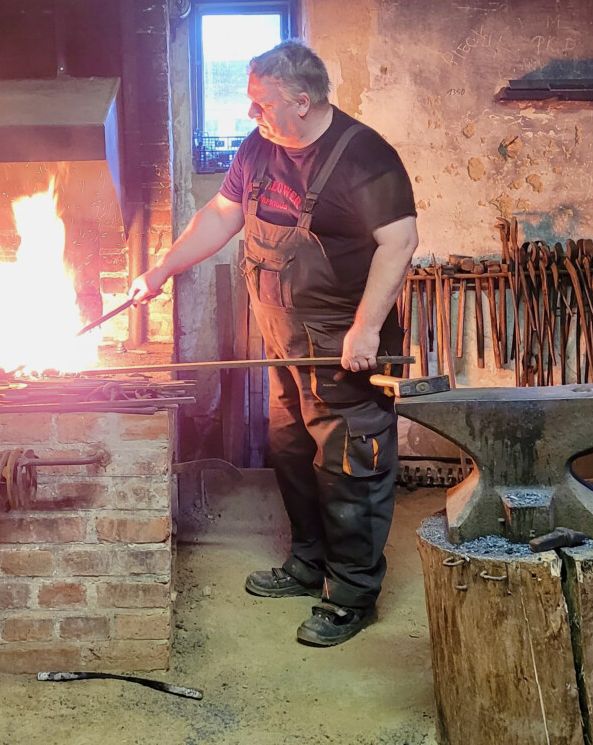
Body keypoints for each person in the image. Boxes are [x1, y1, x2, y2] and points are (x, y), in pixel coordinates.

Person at [131, 39, 417, 646]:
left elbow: (399, 242)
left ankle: (351, 595)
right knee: (289, 449)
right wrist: (162, 270)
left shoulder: (365, 158)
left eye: (262, 103)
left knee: (349, 463)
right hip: (282, 338)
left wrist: (367, 329)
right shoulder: (259, 148)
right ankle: (309, 562)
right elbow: (220, 214)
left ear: (303, 102)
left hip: (339, 340)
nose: (251, 114)